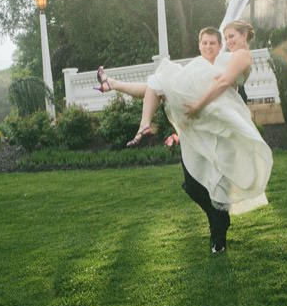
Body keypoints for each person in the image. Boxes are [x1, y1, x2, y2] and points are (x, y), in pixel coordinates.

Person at [96, 22, 273, 253]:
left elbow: (223, 82)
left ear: (243, 36)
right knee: (192, 185)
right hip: (200, 126)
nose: (229, 41)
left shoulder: (240, 56)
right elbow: (160, 88)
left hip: (221, 124)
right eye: (225, 38)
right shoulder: (207, 63)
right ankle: (116, 88)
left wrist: (198, 105)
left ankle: (218, 237)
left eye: (230, 37)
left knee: (219, 183)